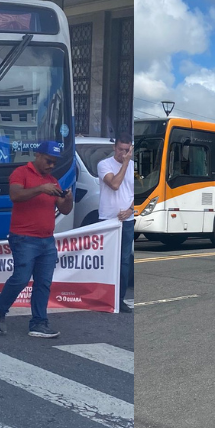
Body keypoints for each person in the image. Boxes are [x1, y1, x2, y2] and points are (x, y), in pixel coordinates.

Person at [0, 141, 73, 338]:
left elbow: (64, 209)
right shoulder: (21, 173)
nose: (51, 166)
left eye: (54, 163)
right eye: (48, 161)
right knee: (21, 278)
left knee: (43, 283)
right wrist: (40, 189)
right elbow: (15, 195)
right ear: (37, 155)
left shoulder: (53, 180)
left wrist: (68, 197)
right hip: (24, 238)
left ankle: (38, 323)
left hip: (46, 240)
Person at [97, 133, 135, 313]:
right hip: (107, 220)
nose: (123, 153)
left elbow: (138, 194)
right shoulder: (104, 165)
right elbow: (114, 184)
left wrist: (130, 210)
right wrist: (125, 163)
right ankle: (103, 296)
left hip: (127, 221)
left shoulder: (134, 167)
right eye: (120, 149)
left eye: (127, 150)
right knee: (106, 260)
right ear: (114, 148)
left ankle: (119, 299)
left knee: (124, 261)